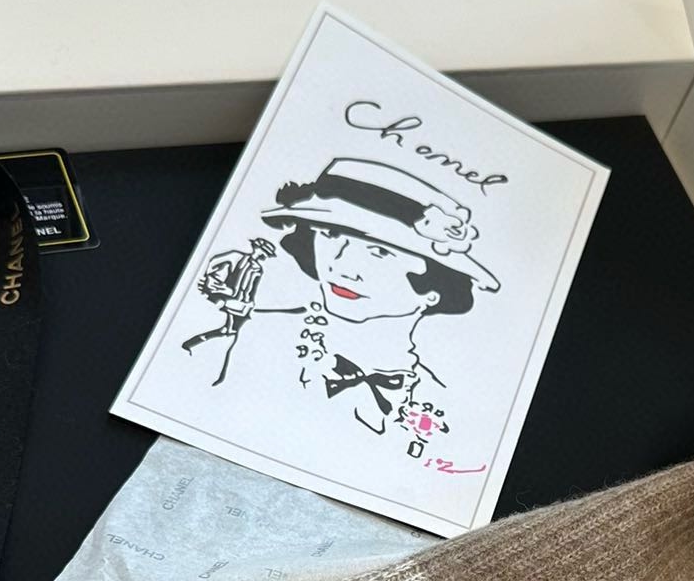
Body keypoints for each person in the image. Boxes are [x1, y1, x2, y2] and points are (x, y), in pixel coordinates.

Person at [182, 159, 499, 452]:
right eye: (331, 235)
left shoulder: (440, 402)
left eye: (379, 252)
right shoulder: (254, 337)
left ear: (433, 290)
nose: (343, 267)